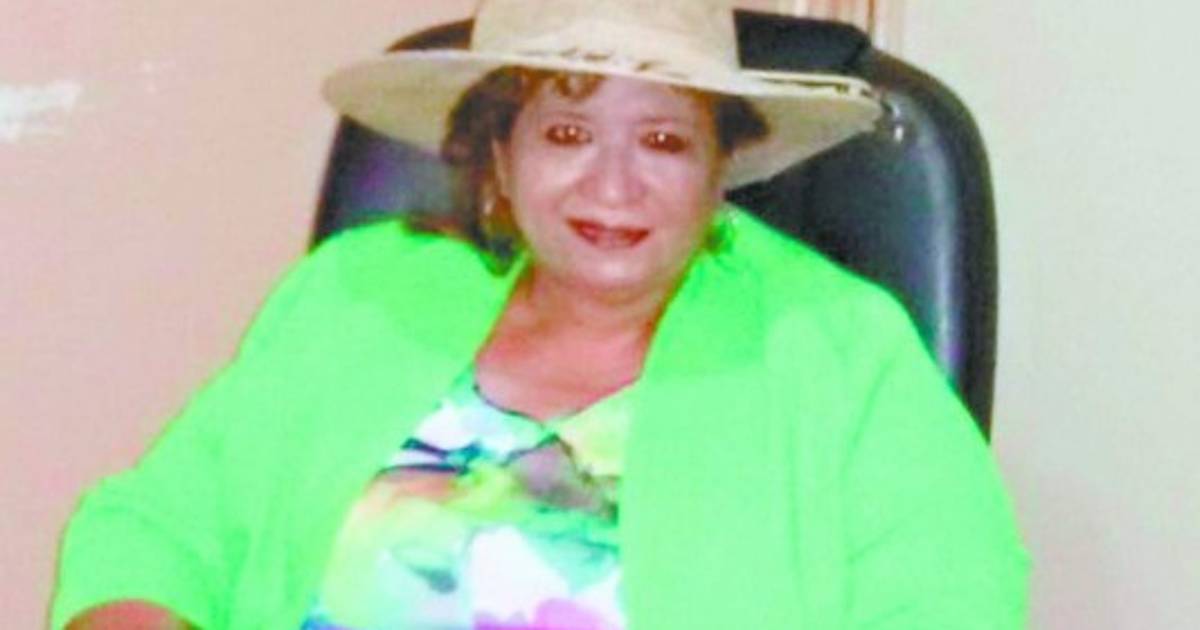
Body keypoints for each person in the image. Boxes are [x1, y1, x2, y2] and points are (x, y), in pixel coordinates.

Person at [52, 0, 1029, 628]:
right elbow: (156, 530)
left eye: (662, 139)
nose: (614, 184)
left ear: (720, 166)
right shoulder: (360, 292)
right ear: (500, 154)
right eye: (566, 132)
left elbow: (952, 605)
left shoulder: (841, 349)